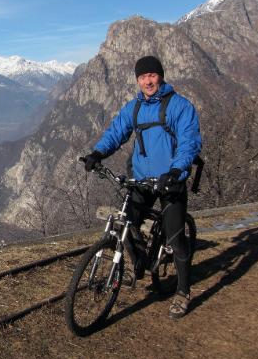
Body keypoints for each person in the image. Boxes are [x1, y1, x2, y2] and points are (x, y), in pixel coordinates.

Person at [83, 55, 202, 319]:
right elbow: (116, 132)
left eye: (152, 75)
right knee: (128, 221)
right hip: (142, 179)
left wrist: (175, 171)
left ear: (160, 76)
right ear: (137, 80)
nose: (147, 81)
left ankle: (183, 292)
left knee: (175, 238)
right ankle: (141, 262)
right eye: (142, 77)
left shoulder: (179, 107)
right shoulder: (134, 108)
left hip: (170, 181)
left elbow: (189, 143)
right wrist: (97, 153)